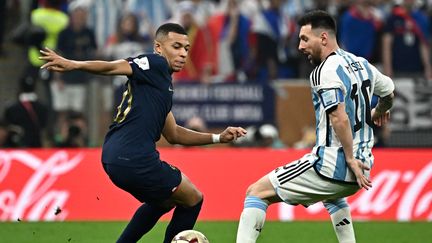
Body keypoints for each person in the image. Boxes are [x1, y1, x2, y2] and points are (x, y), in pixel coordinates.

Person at [39, 23, 247, 243]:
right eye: (176, 46)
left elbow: (174, 134)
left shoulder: (159, 85)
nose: (183, 53)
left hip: (113, 157)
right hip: (134, 156)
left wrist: (218, 138)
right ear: (158, 47)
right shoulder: (155, 63)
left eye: (186, 48)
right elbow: (113, 67)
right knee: (193, 198)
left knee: (163, 202)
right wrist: (73, 64)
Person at [236, 10, 394, 243]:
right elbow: (389, 91)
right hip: (363, 168)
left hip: (332, 165)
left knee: (256, 192)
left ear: (323, 38)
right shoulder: (362, 64)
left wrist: (349, 157)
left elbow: (338, 118)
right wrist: (380, 111)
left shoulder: (325, 71)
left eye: (304, 39)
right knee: (334, 197)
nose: (300, 46)